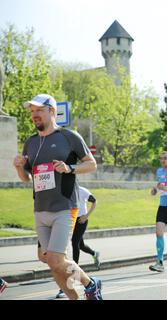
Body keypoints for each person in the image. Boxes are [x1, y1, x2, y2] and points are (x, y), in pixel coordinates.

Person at [13, 94, 102, 300]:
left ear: (52, 111)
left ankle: (91, 284)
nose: (34, 115)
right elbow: (27, 178)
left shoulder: (69, 137)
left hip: (64, 206)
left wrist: (69, 167)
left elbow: (92, 164)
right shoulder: (31, 142)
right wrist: (19, 167)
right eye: (32, 112)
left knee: (55, 259)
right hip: (40, 209)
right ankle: (77, 297)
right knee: (51, 262)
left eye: (39, 111)